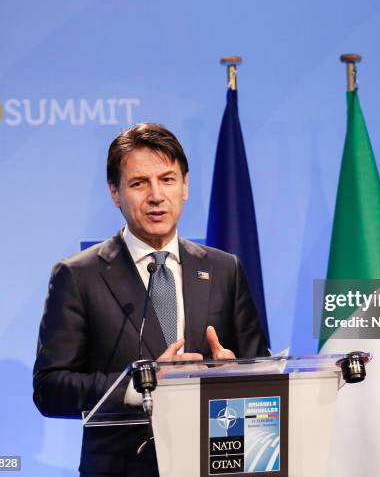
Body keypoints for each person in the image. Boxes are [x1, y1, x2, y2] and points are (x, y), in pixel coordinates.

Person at [33, 123, 269, 477]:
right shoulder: (79, 275)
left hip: (218, 462)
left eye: (168, 179)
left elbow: (262, 369)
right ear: (115, 193)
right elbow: (50, 389)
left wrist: (237, 374)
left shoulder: (225, 269)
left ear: (185, 186)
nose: (156, 195)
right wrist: (137, 385)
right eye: (139, 183)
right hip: (125, 466)